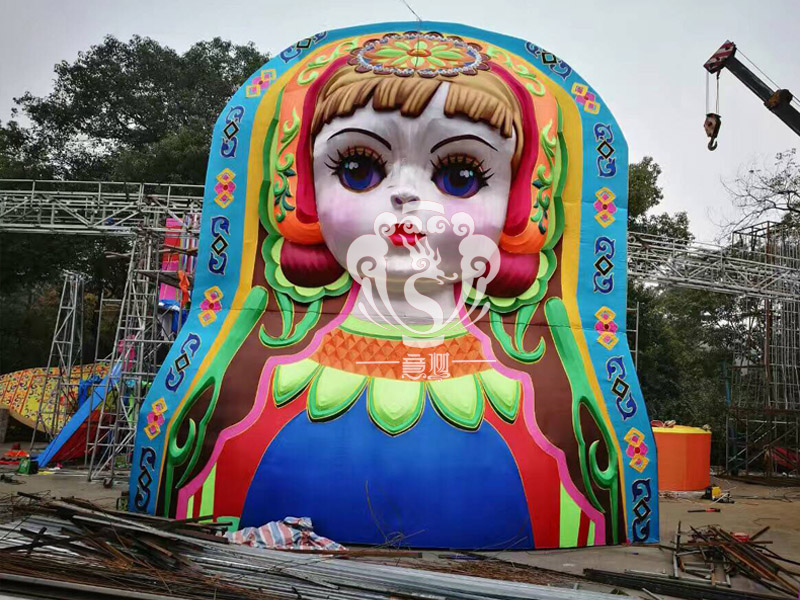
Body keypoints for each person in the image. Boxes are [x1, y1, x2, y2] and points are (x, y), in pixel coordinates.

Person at [159, 31, 622, 549]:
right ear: (303, 191)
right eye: (358, 170)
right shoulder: (240, 397)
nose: (405, 195)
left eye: (461, 176)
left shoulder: (554, 413)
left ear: (520, 203)